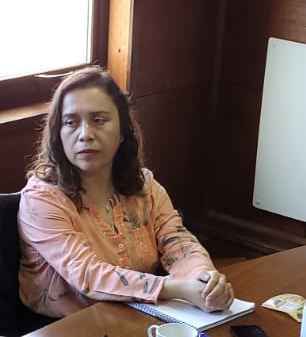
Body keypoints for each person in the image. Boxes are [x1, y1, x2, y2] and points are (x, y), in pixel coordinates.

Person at [17, 66, 234, 318]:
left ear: (121, 132)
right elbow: (88, 274)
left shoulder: (144, 186)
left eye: (98, 120)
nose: (85, 135)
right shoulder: (41, 199)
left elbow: (179, 244)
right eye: (70, 123)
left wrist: (204, 281)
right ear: (58, 134)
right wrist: (177, 289)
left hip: (135, 318)